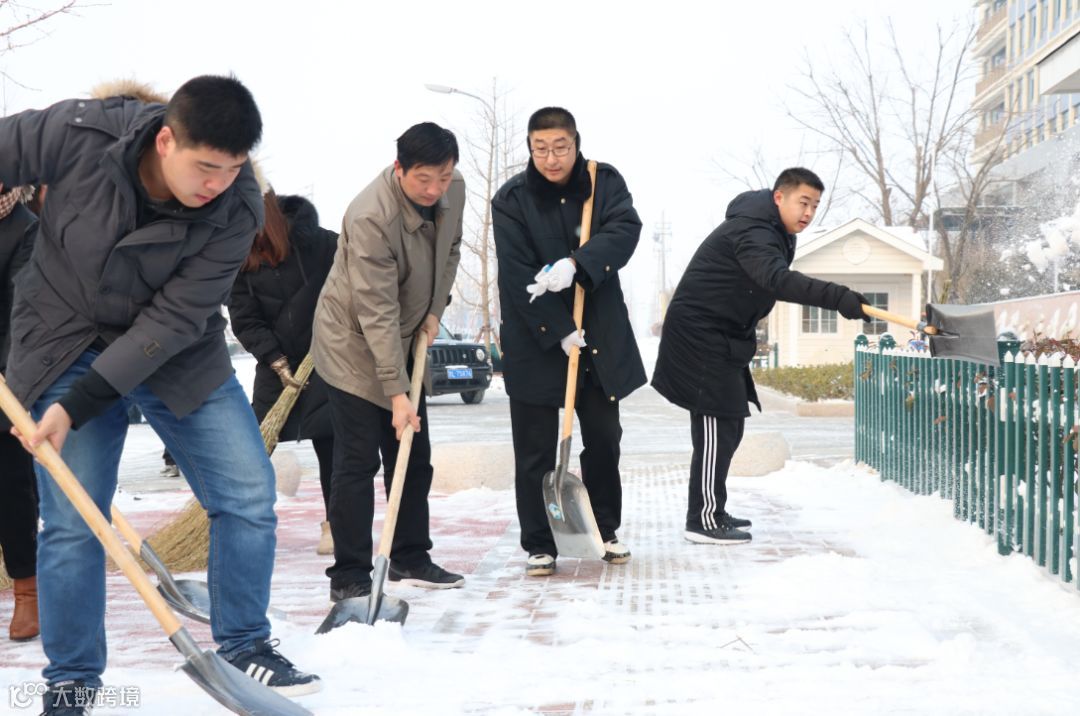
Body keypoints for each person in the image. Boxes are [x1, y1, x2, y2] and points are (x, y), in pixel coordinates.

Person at [0, 75, 320, 714]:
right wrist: (69, 394)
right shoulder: (80, 134)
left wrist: (77, 404)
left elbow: (172, 321)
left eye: (232, 169)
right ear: (166, 139)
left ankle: (245, 644)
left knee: (248, 494)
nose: (217, 184)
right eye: (205, 167)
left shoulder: (238, 207)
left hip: (176, 351)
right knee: (73, 521)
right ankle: (72, 680)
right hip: (65, 337)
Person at [652, 167, 868, 545]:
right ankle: (702, 519)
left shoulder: (773, 231)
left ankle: (713, 508)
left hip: (723, 337)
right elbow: (776, 279)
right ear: (779, 197)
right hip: (700, 337)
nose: (808, 213)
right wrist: (839, 297)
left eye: (815, 206)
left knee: (730, 426)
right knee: (716, 428)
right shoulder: (753, 231)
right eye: (803, 202)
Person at [312, 122, 466, 602]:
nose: (435, 189)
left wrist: (435, 311)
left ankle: (409, 557)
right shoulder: (370, 217)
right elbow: (375, 311)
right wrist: (398, 395)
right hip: (353, 343)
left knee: (412, 456)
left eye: (443, 177)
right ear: (399, 168)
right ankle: (349, 574)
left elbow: (450, 251)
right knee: (358, 461)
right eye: (423, 179)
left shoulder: (454, 189)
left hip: (406, 335)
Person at [491, 107, 645, 577]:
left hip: (597, 333)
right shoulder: (511, 200)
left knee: (604, 439)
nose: (551, 158)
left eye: (560, 147)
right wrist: (558, 329)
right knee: (535, 449)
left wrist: (578, 264)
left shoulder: (603, 182)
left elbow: (624, 230)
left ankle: (604, 529)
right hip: (535, 335)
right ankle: (540, 543)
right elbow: (516, 272)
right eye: (541, 149)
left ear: (576, 143)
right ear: (530, 148)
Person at [229, 189, 337, 555]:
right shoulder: (241, 257)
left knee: (332, 444)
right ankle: (240, 524)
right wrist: (276, 360)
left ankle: (337, 525)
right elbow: (245, 319)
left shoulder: (323, 245)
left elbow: (356, 283)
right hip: (276, 366)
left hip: (326, 361)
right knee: (255, 445)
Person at [0, 183, 39, 641]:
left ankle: (27, 589)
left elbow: (19, 311)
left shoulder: (25, 229)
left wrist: (10, 373)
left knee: (11, 489)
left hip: (6, 377)